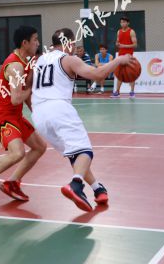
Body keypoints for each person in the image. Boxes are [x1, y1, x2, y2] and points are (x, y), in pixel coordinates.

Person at [31, 28, 134, 212]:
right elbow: (98, 74)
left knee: (76, 155)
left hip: (38, 114)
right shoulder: (69, 59)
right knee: (85, 151)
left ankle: (97, 188)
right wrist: (118, 60)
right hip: (58, 108)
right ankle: (76, 185)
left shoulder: (39, 60)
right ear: (69, 43)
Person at [0, 26, 47, 203]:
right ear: (25, 43)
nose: (38, 43)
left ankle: (12, 183)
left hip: (15, 115)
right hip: (2, 115)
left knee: (39, 147)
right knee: (17, 153)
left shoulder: (25, 62)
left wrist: (37, 114)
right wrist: (31, 87)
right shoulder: (15, 66)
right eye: (35, 40)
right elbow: (16, 98)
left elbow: (24, 96)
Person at [112, 17, 137, 98]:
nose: (122, 23)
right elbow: (118, 42)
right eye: (121, 22)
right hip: (121, 56)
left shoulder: (131, 32)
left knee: (130, 74)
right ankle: (117, 92)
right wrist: (117, 44)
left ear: (128, 23)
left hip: (129, 56)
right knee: (120, 74)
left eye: (124, 22)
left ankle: (132, 92)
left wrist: (124, 46)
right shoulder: (118, 31)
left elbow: (135, 45)